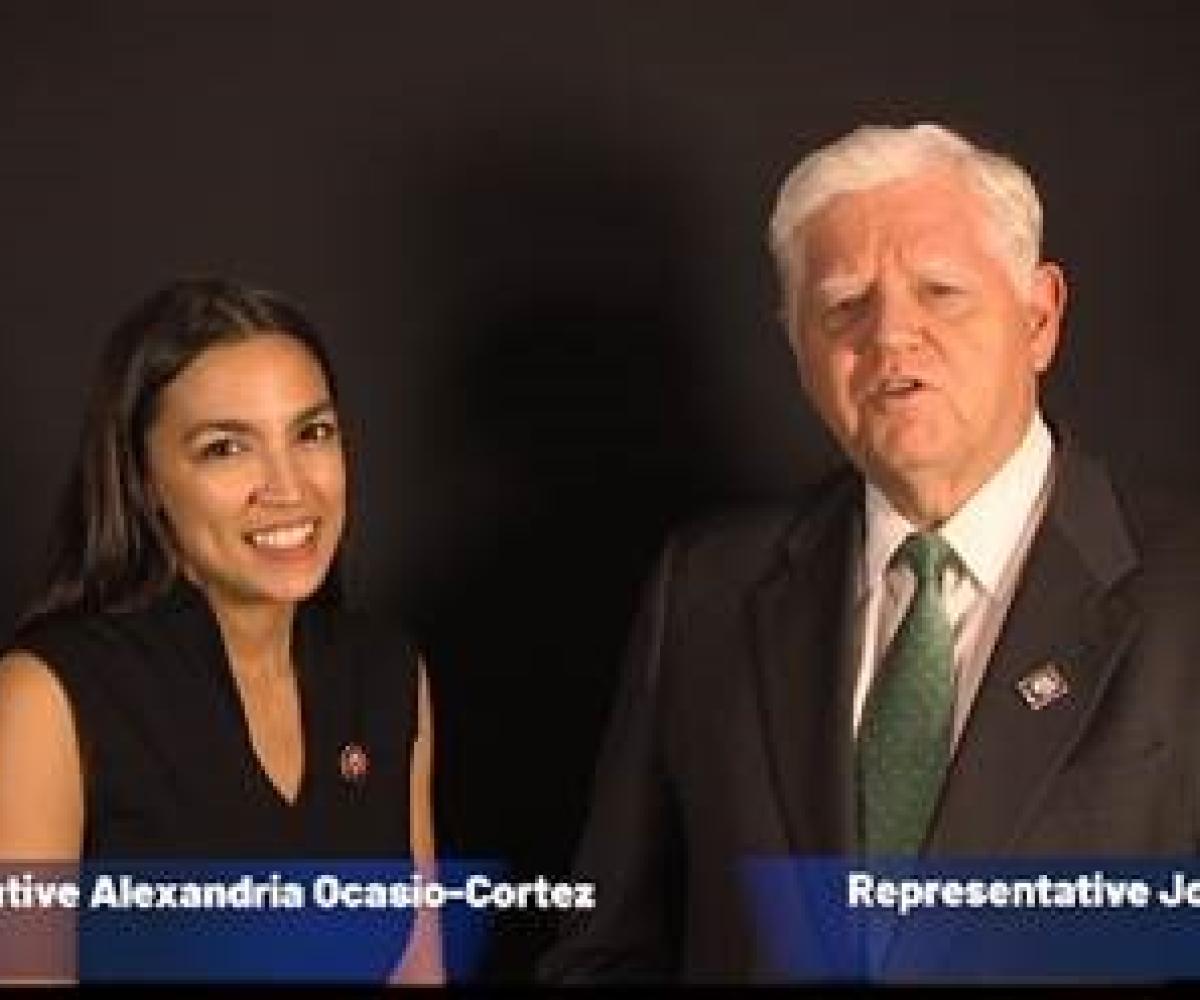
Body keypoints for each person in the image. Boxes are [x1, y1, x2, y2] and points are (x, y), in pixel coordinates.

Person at [539, 122, 1200, 982]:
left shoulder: (1184, 591)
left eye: (939, 290)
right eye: (845, 305)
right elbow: (604, 950)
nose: (891, 336)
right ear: (799, 349)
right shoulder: (705, 589)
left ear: (1039, 317)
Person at [0, 278, 441, 982]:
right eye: (226, 449)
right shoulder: (44, 698)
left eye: (312, 433)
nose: (288, 487)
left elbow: (416, 972)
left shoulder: (385, 673)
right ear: (145, 480)